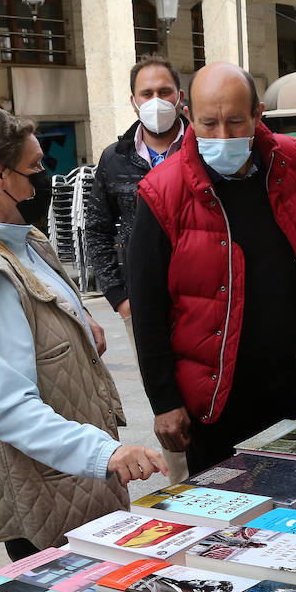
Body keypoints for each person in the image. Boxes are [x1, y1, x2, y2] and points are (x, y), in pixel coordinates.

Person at [0, 103, 166, 562]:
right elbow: (12, 410)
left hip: (67, 479)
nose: (45, 179)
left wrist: (78, 323)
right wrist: (107, 455)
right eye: (34, 167)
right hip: (51, 491)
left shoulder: (16, 236)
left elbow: (45, 301)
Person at [126, 61, 296, 473]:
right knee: (230, 528)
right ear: (188, 116)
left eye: (236, 122)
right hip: (214, 399)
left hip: (286, 383)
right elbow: (147, 308)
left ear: (258, 115)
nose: (223, 136)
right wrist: (165, 402)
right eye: (208, 123)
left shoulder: (288, 161)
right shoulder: (163, 191)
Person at [85, 54, 189, 481]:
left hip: (199, 298)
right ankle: (187, 486)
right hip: (143, 306)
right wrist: (120, 298)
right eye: (147, 93)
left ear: (180, 97)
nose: (156, 100)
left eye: (164, 92)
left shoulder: (200, 146)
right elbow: (96, 230)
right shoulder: (115, 158)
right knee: (166, 398)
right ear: (133, 101)